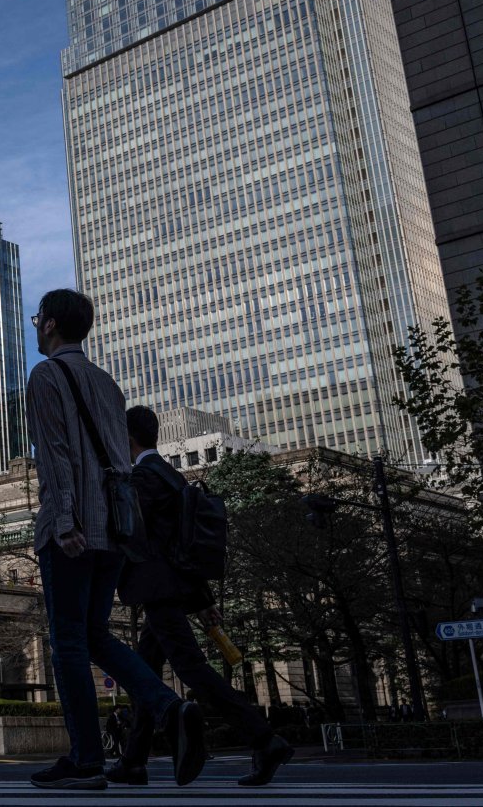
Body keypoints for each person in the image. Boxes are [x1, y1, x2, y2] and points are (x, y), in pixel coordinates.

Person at [26, 289, 206, 791]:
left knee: (67, 641)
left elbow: (55, 454)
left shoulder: (45, 376)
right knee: (96, 635)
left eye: (38, 318)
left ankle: (86, 759)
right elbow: (119, 461)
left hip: (74, 527)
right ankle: (170, 708)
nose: (36, 325)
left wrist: (63, 521)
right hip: (113, 529)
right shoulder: (108, 383)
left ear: (53, 324)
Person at [106, 405, 292, 788]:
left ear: (127, 438)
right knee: (145, 672)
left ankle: (264, 737)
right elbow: (183, 545)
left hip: (158, 589)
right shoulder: (170, 475)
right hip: (174, 587)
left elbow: (129, 532)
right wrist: (203, 599)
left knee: (192, 669)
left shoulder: (144, 477)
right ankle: (134, 760)